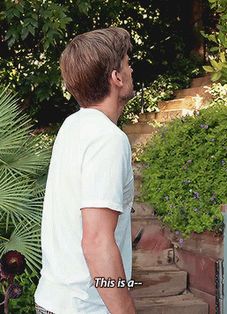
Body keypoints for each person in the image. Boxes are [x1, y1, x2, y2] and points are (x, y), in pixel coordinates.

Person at [34, 27, 136, 314]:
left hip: (53, 300)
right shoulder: (108, 139)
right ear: (116, 77)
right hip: (84, 307)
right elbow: (96, 242)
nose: (130, 70)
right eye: (127, 64)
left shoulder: (73, 127)